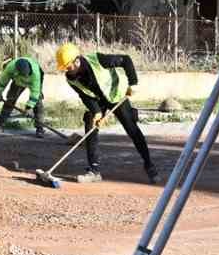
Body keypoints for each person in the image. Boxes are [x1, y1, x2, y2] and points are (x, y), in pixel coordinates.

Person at [54, 42, 158, 184]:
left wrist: (133, 83)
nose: (66, 70)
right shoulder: (71, 78)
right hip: (98, 101)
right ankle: (94, 171)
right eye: (64, 68)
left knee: (131, 128)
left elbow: (126, 60)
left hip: (117, 95)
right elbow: (85, 96)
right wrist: (96, 112)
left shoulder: (98, 60)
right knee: (90, 125)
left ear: (77, 61)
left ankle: (149, 164)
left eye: (68, 66)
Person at [0, 56, 46, 136]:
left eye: (27, 75)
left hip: (34, 80)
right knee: (10, 100)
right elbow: (3, 81)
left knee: (38, 102)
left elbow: (35, 92)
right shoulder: (10, 68)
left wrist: (28, 107)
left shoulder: (36, 74)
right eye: (24, 75)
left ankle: (40, 128)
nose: (26, 77)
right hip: (18, 81)